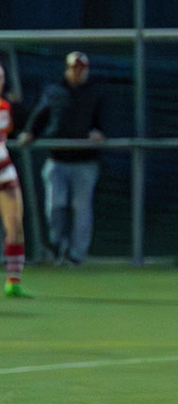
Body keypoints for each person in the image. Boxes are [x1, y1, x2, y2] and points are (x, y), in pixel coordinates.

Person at [17, 51, 107, 265]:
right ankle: (58, 244)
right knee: (55, 206)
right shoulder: (54, 90)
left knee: (81, 207)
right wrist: (30, 132)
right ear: (67, 69)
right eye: (74, 68)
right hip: (58, 160)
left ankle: (77, 254)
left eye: (81, 69)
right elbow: (40, 115)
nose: (77, 73)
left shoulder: (95, 92)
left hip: (85, 161)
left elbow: (103, 120)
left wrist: (100, 132)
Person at [0, 64, 25, 296]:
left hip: (4, 171)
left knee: (15, 226)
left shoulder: (5, 106)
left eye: (1, 77)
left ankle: (13, 281)